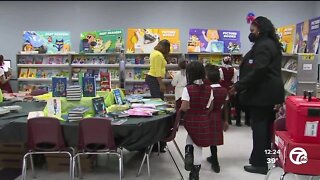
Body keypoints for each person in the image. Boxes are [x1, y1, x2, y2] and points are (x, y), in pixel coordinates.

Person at [229, 16, 284, 175]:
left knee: (260, 128)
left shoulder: (264, 46)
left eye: (252, 30)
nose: (251, 33)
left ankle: (260, 164)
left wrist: (238, 86)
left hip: (263, 94)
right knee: (266, 129)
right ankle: (267, 162)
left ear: (260, 29)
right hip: (267, 93)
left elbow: (259, 71)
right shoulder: (269, 44)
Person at [180, 61, 228, 180]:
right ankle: (195, 173)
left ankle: (188, 151)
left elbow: (184, 106)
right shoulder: (209, 89)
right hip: (203, 120)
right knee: (199, 145)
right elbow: (210, 107)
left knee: (190, 137)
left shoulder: (188, 89)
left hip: (191, 119)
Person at [145, 39, 170, 153]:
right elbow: (156, 72)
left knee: (158, 105)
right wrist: (161, 84)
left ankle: (159, 141)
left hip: (154, 79)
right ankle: (158, 142)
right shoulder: (158, 55)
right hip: (155, 80)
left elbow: (159, 69)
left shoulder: (155, 53)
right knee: (158, 106)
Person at [204, 64, 229, 173]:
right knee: (214, 139)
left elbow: (209, 106)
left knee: (205, 138)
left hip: (208, 115)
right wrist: (226, 120)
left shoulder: (207, 90)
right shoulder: (224, 90)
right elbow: (227, 105)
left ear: (208, 78)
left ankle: (214, 162)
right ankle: (214, 159)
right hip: (218, 116)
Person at [219, 56, 239, 126]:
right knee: (229, 104)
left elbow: (220, 80)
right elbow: (235, 81)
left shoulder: (220, 70)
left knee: (223, 104)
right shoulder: (235, 70)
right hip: (230, 88)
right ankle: (229, 120)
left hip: (222, 88)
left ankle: (223, 119)